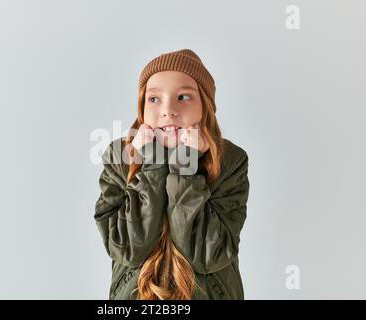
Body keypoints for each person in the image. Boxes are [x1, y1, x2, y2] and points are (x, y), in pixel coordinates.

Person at [94, 48, 250, 300]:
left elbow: (206, 255)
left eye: (184, 97)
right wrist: (153, 164)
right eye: (154, 99)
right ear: (142, 107)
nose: (168, 110)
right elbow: (129, 247)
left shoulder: (229, 161)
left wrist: (185, 167)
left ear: (205, 106)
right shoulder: (119, 156)